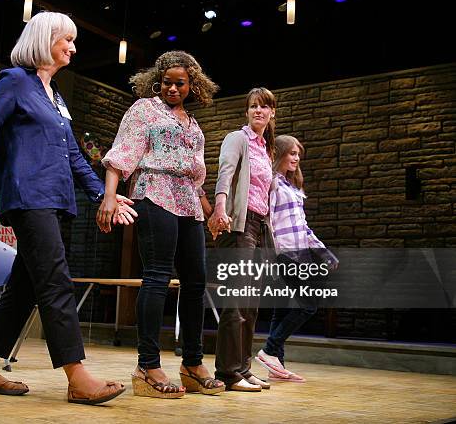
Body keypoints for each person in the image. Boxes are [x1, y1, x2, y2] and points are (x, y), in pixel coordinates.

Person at [0, 11, 135, 405]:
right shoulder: (14, 81)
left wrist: (101, 195)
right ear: (42, 38)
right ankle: (77, 376)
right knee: (56, 281)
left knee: (25, 287)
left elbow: (74, 155)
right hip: (29, 197)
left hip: (55, 201)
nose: (72, 47)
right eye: (66, 39)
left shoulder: (54, 96)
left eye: (74, 41)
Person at [97, 51, 225, 398]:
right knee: (157, 274)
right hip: (154, 192)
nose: (172, 88)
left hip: (188, 201)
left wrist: (209, 209)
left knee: (196, 281)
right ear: (158, 79)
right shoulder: (144, 110)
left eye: (179, 83)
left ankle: (193, 364)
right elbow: (120, 155)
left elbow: (197, 177)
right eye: (166, 81)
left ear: (191, 85)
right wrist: (109, 198)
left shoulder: (192, 124)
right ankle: (148, 365)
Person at [208, 87, 277, 392]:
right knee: (235, 302)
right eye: (253, 107)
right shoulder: (238, 139)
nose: (257, 111)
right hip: (240, 225)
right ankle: (227, 372)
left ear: (272, 113)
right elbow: (225, 174)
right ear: (247, 112)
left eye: (263, 107)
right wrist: (220, 209)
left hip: (260, 226)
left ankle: (244, 368)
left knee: (251, 304)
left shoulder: (265, 148)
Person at [255, 134, 338, 383]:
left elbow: (303, 227)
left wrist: (323, 251)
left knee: (281, 310)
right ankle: (269, 350)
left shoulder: (293, 187)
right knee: (308, 304)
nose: (296, 158)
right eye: (291, 153)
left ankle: (275, 365)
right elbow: (266, 221)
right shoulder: (272, 184)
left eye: (298, 154)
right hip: (284, 255)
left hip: (300, 255)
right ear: (279, 154)